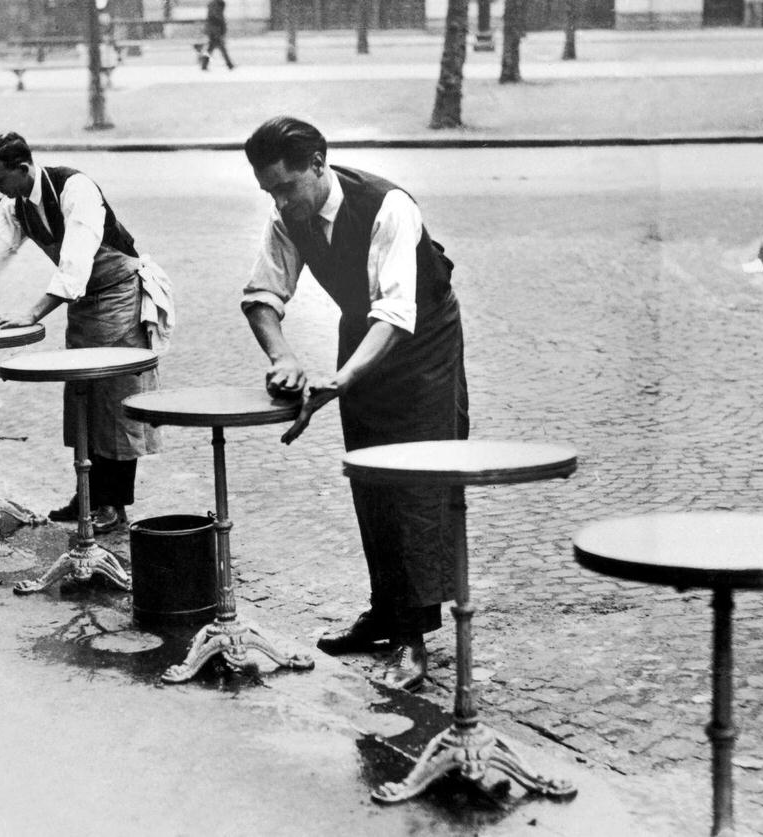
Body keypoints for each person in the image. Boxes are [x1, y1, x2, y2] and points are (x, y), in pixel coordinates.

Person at [240, 116, 468, 692]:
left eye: (287, 187)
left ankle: (412, 641)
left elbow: (396, 314)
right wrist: (282, 357)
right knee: (367, 474)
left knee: (415, 483)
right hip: (362, 333)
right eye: (270, 191)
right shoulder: (286, 214)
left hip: (422, 343)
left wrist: (339, 382)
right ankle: (385, 612)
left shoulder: (389, 205)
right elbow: (261, 296)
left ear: (319, 163)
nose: (281, 201)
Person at [0, 132, 173, 534]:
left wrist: (31, 314)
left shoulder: (75, 188)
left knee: (113, 401)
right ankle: (88, 495)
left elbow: (76, 261)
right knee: (83, 396)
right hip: (83, 302)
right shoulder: (17, 207)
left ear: (23, 169)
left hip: (118, 294)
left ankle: (113, 505)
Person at [203, 0, 234, 71]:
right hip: (215, 30)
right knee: (220, 48)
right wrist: (222, 29)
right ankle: (229, 64)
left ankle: (204, 64)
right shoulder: (216, 5)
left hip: (213, 30)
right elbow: (217, 17)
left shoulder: (214, 4)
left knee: (211, 48)